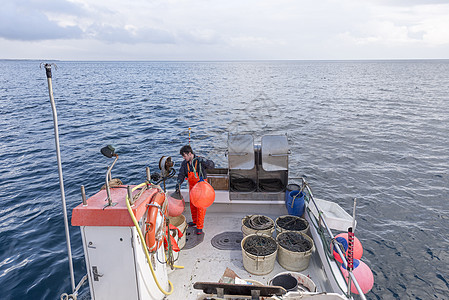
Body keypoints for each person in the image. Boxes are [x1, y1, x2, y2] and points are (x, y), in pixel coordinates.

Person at [176, 145, 215, 235]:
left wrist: (205, 161)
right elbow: (181, 174)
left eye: (184, 156)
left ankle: (200, 227)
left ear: (190, 154)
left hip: (202, 188)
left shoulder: (200, 160)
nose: (183, 158)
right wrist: (178, 182)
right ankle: (195, 221)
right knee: (193, 205)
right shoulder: (184, 164)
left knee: (201, 207)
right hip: (192, 187)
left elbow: (212, 165)